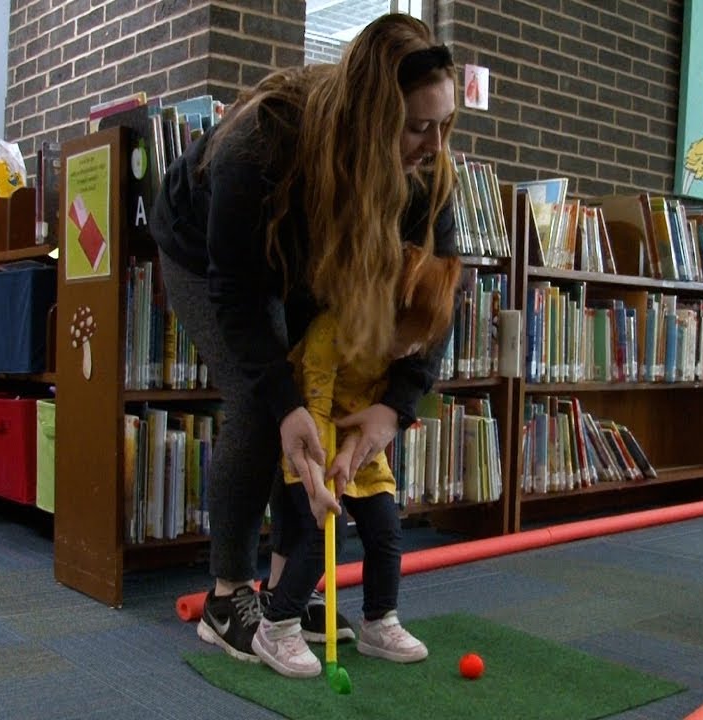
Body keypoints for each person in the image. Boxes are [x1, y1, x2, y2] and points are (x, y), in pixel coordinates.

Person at [148, 12, 459, 668]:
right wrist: (286, 405)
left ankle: (290, 586)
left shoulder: (425, 170)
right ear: (374, 119)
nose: (435, 144)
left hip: (308, 255)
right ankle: (229, 595)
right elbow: (237, 298)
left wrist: (393, 406)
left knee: (325, 413)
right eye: (418, 126)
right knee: (267, 410)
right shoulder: (263, 143)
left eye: (445, 124)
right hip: (209, 248)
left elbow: (435, 297)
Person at [258, 244, 461, 678]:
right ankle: (276, 626)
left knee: (386, 530)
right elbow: (313, 409)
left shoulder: (395, 350)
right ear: (380, 309)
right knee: (324, 535)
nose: (414, 350)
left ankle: (379, 620)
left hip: (355, 442)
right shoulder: (330, 334)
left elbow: (371, 410)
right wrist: (319, 482)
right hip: (310, 440)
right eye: (408, 339)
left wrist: (352, 453)